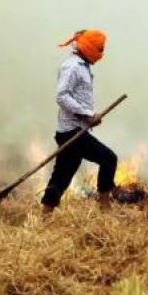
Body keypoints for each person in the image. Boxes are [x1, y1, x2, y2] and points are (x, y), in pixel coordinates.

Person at [41, 29, 118, 215]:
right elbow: (61, 96)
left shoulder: (82, 66)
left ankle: (45, 214)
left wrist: (88, 117)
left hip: (74, 130)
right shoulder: (73, 67)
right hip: (72, 132)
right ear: (89, 47)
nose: (102, 53)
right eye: (100, 49)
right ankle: (105, 208)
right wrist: (87, 114)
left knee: (62, 174)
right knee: (109, 158)